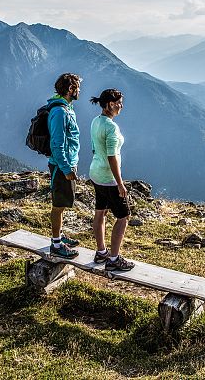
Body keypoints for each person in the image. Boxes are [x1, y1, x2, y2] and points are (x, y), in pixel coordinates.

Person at [89, 88, 135, 271]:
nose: (121, 106)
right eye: (119, 103)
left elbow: (95, 148)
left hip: (95, 173)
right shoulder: (111, 127)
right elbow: (112, 156)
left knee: (100, 212)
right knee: (123, 216)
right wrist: (120, 183)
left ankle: (101, 252)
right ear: (109, 104)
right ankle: (114, 259)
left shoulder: (96, 121)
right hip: (108, 178)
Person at [48, 73, 82, 258]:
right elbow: (57, 143)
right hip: (62, 166)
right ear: (71, 89)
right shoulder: (60, 111)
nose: (79, 91)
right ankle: (56, 244)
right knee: (58, 205)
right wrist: (66, 168)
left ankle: (59, 236)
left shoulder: (66, 108)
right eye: (78, 87)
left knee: (62, 204)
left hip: (67, 163)